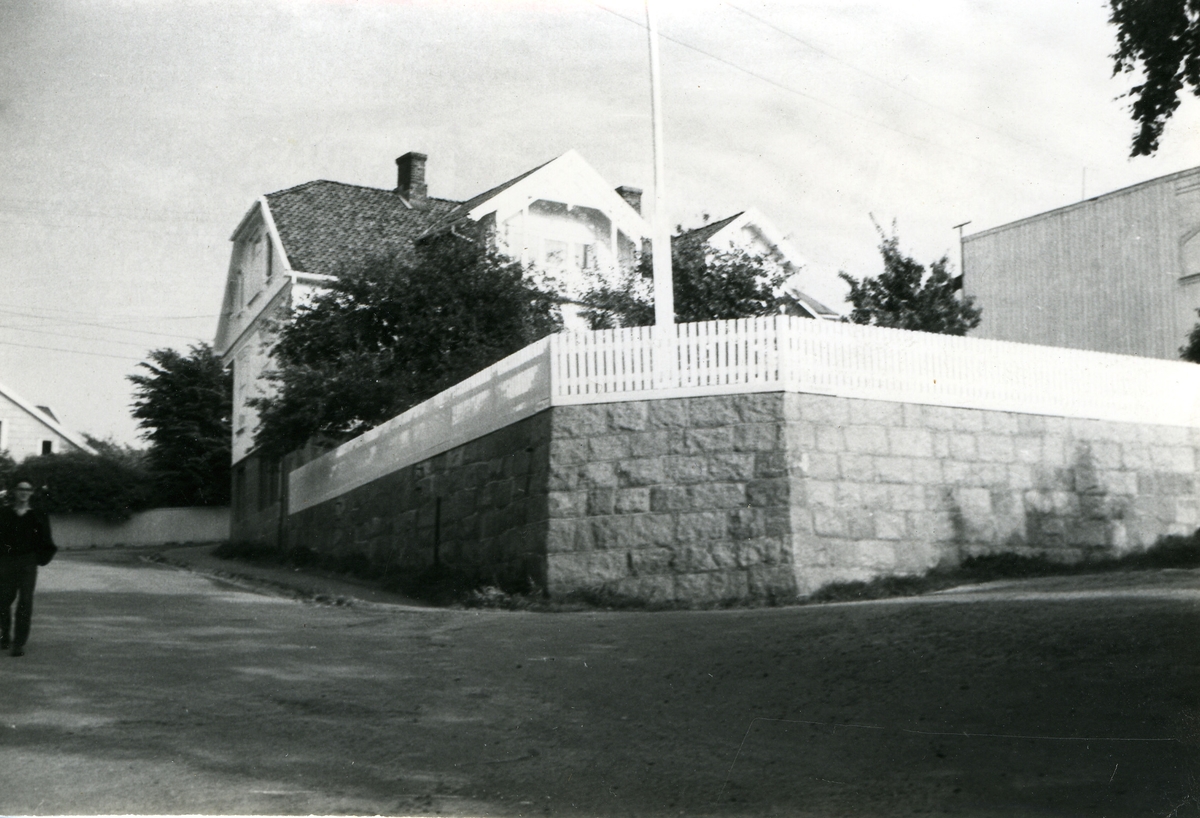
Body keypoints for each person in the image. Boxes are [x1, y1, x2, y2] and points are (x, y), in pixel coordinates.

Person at [0, 481, 57, 657]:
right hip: (6, 561)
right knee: (3, 600)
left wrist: (38, 560)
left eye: (28, 490)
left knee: (25, 600)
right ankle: (4, 636)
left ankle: (18, 643)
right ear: (15, 492)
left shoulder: (38, 515)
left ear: (31, 493)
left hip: (28, 562)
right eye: (21, 489)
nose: (24, 493)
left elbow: (46, 539)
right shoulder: (4, 513)